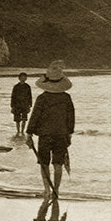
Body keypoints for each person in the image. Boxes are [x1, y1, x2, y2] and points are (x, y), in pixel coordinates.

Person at [25, 60, 75, 198]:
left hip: (45, 134)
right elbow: (71, 118)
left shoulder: (42, 98)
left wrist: (29, 133)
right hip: (61, 134)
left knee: (44, 163)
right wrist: (69, 133)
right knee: (58, 163)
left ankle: (47, 190)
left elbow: (35, 116)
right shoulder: (66, 98)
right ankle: (56, 190)